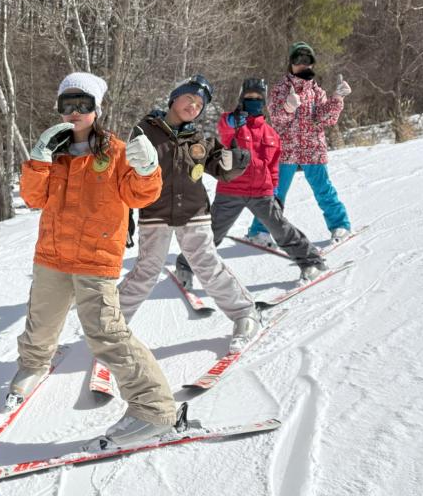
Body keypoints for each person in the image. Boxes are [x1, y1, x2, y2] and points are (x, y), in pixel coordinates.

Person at [11, 72, 178, 446]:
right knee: (41, 321)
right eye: (66, 105)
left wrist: (149, 169)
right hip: (52, 254)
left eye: (82, 105)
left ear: (96, 110)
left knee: (105, 333)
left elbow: (140, 197)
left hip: (95, 258)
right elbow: (34, 199)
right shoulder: (52, 151)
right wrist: (37, 160)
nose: (74, 113)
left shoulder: (116, 151)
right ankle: (33, 364)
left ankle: (154, 408)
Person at [116, 75, 261, 354]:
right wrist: (126, 219)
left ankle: (245, 313)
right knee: (146, 271)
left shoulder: (198, 138)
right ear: (174, 98)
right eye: (189, 99)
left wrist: (234, 162)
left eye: (199, 105)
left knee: (207, 265)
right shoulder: (144, 131)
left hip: (194, 213)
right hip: (154, 213)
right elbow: (126, 175)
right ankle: (113, 326)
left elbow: (221, 168)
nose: (193, 106)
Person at [175, 78, 328, 282]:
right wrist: (233, 121)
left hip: (262, 193)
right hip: (231, 190)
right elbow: (224, 127)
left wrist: (275, 193)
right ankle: (185, 267)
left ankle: (311, 262)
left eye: (257, 98)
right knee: (212, 233)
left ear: (263, 101)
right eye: (249, 97)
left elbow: (274, 168)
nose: (253, 101)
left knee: (282, 230)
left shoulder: (271, 133)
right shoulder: (232, 122)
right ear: (241, 99)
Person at [246, 41, 353, 246]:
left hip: (313, 149)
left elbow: (326, 119)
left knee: (324, 190)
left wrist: (337, 98)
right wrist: (288, 106)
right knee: (274, 193)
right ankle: (259, 231)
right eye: (298, 60)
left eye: (307, 60)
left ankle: (340, 224)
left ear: (312, 64)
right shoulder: (280, 89)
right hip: (285, 150)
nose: (302, 65)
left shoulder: (317, 92)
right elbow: (277, 120)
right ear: (291, 64)